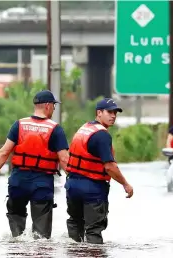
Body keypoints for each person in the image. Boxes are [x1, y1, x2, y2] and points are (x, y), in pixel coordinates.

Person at [0, 90, 70, 239]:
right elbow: (64, 159)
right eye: (54, 106)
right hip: (42, 183)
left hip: (18, 181)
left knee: (17, 234)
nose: (54, 109)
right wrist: (74, 178)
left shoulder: (19, 125)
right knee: (41, 238)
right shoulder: (55, 129)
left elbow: (4, 152)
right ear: (48, 106)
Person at [65, 98, 134, 244]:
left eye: (115, 113)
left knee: (75, 225)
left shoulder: (85, 128)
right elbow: (109, 167)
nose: (113, 115)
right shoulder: (102, 135)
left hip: (72, 185)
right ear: (99, 113)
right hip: (92, 187)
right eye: (109, 112)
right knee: (93, 230)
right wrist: (125, 184)